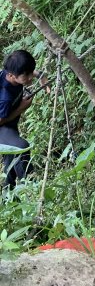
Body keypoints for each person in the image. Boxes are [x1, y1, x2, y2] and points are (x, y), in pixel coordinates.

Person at [0, 50, 47, 187]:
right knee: (20, 147)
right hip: (2, 126)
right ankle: (30, 187)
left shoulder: (8, 74)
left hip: (9, 125)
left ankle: (8, 191)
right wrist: (21, 108)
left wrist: (41, 75)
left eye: (31, 73)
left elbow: (28, 72)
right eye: (26, 76)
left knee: (11, 157)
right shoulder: (5, 97)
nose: (30, 78)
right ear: (11, 75)